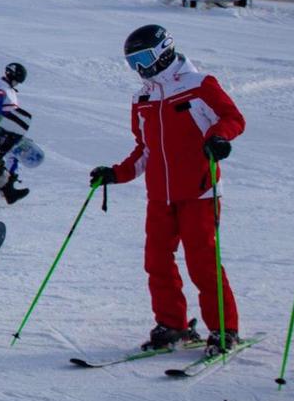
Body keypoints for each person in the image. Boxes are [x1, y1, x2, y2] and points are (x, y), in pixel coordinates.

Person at [91, 24, 244, 353]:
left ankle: (224, 329)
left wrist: (219, 137)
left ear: (163, 49)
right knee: (157, 262)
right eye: (132, 62)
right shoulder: (142, 98)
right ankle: (172, 325)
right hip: (160, 196)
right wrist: (115, 174)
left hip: (199, 192)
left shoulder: (198, 85)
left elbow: (232, 117)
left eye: (143, 58)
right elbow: (143, 150)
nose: (140, 69)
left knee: (202, 263)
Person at [0, 60, 32, 205]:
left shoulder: (4, 86)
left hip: (8, 128)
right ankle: (6, 186)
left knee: (1, 158)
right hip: (4, 130)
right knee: (13, 155)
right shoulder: (1, 87)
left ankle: (3, 185)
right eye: (16, 81)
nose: (17, 84)